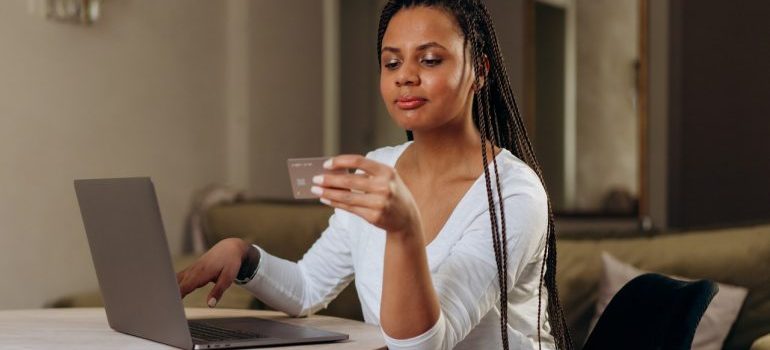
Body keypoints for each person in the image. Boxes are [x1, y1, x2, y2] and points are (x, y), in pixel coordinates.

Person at [177, 1, 572, 349]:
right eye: (392, 62)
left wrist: (403, 231)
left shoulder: (514, 196)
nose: (405, 76)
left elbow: (424, 346)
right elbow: (308, 287)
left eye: (430, 60)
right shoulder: (378, 168)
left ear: (479, 71)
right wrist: (244, 258)